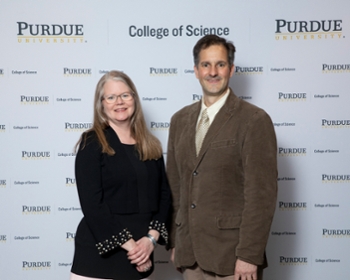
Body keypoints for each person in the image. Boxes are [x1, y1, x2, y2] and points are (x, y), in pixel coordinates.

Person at [166, 35, 277, 280]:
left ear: (231, 69)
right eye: (206, 65)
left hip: (233, 259)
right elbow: (175, 187)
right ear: (196, 70)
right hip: (190, 255)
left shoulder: (254, 120)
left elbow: (261, 196)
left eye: (220, 64)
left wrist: (249, 256)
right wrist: (175, 242)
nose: (213, 72)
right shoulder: (179, 121)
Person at [70, 70, 171, 280]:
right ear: (102, 104)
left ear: (134, 98)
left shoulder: (151, 144)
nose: (119, 102)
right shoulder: (92, 143)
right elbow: (92, 205)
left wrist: (149, 241)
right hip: (100, 255)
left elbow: (165, 198)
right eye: (111, 97)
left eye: (125, 95)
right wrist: (134, 248)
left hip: (143, 253)